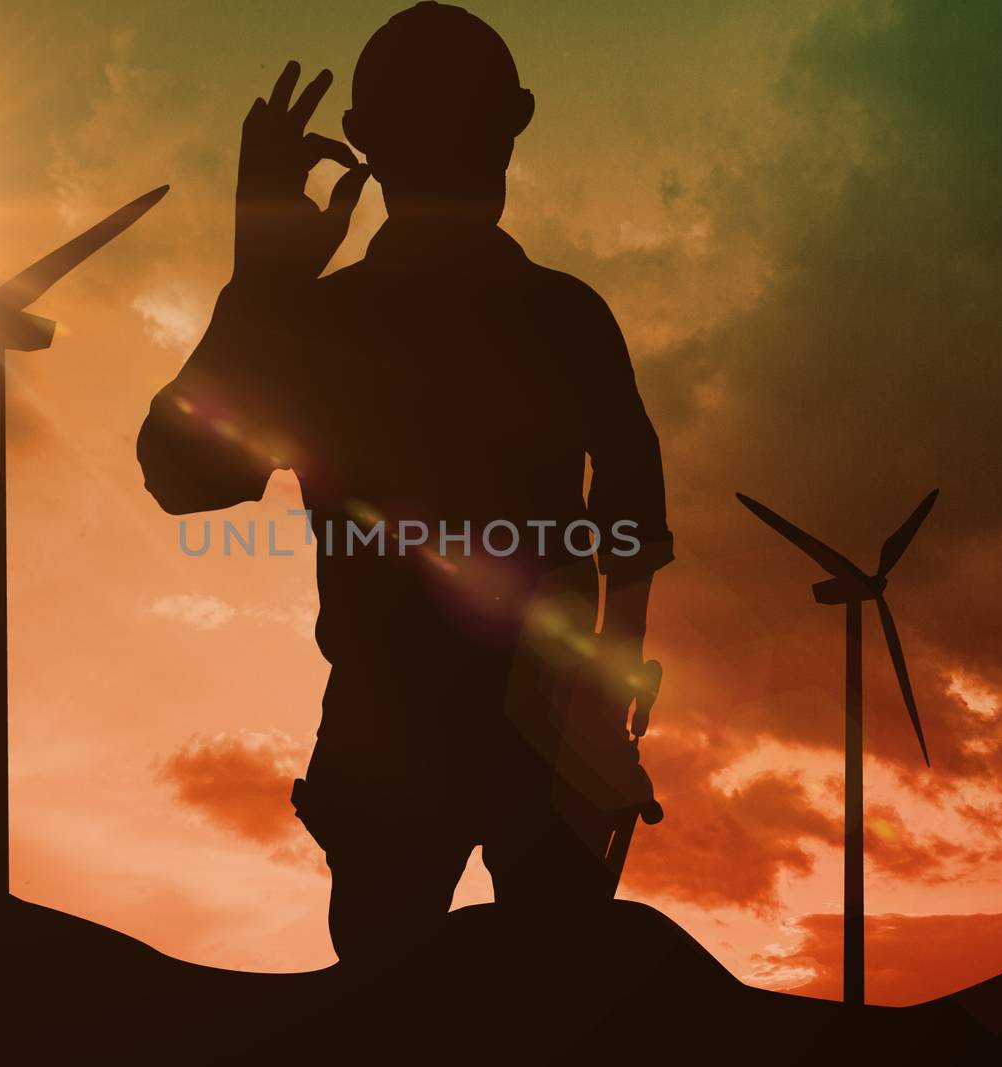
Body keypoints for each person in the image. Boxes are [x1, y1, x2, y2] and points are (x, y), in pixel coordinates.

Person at [137, 2, 672, 963]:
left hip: (411, 738)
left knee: (390, 1013)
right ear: (515, 126)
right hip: (523, 733)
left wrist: (263, 283)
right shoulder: (561, 316)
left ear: (364, 147)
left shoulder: (328, 330)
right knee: (558, 1005)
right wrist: (610, 681)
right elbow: (631, 505)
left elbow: (182, 476)